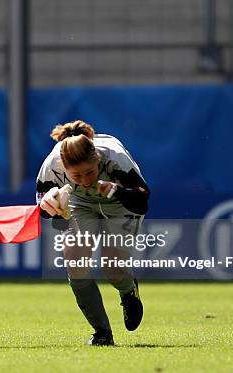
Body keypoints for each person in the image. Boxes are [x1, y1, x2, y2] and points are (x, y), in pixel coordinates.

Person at [36, 120, 149, 346]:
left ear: (98, 158)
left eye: (90, 172)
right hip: (79, 203)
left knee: (113, 268)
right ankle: (102, 333)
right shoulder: (52, 165)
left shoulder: (115, 158)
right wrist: (50, 206)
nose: (86, 181)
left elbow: (142, 202)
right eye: (76, 176)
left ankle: (128, 290)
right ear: (64, 168)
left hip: (119, 203)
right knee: (75, 264)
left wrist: (117, 190)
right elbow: (44, 210)